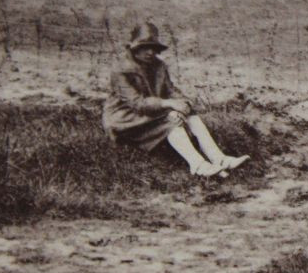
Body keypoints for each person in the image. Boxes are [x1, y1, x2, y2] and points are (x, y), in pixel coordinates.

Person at [102, 22, 249, 177]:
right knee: (171, 121)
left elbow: (171, 91)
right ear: (134, 48)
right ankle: (198, 165)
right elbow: (137, 104)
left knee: (190, 115)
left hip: (149, 113)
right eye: (144, 47)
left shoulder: (159, 66)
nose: (150, 52)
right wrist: (169, 105)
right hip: (126, 120)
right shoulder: (121, 70)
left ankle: (219, 159)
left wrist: (183, 104)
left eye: (154, 47)